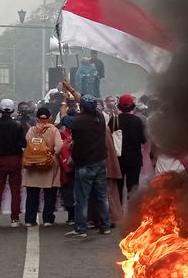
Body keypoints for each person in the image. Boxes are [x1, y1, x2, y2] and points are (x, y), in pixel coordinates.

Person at [63, 89, 110, 238]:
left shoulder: (78, 121)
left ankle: (80, 228)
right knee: (102, 196)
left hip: (84, 164)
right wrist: (70, 88)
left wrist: (64, 101)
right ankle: (105, 226)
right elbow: (83, 101)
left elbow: (63, 117)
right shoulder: (100, 117)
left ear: (81, 107)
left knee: (82, 198)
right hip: (100, 162)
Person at [22, 107, 62, 226]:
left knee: (32, 193)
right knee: (50, 193)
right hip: (48, 164)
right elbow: (59, 147)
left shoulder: (31, 130)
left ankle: (30, 219)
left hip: (32, 164)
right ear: (50, 117)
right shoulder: (54, 130)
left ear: (37, 118)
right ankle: (48, 219)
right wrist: (51, 153)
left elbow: (26, 144)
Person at [0, 98, 26, 228]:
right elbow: (23, 143)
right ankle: (14, 219)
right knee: (15, 190)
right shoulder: (17, 125)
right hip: (15, 158)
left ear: (0, 109)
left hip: (0, 159)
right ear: (13, 110)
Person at [112, 93, 148, 195]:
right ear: (132, 106)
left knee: (117, 189)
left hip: (118, 159)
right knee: (133, 189)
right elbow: (143, 140)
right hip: (134, 160)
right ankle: (132, 210)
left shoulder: (114, 120)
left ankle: (118, 210)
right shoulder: (137, 121)